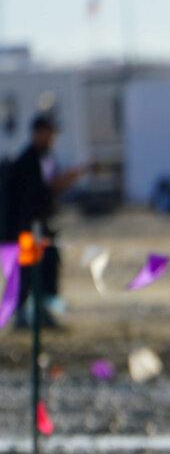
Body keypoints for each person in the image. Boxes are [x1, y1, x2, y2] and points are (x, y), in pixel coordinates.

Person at [1, 113, 81, 328]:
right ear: (39, 133)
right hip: (24, 231)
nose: (52, 138)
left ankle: (41, 312)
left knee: (46, 270)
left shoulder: (45, 158)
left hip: (40, 228)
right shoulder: (27, 161)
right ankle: (22, 316)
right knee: (25, 274)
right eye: (49, 133)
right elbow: (34, 196)